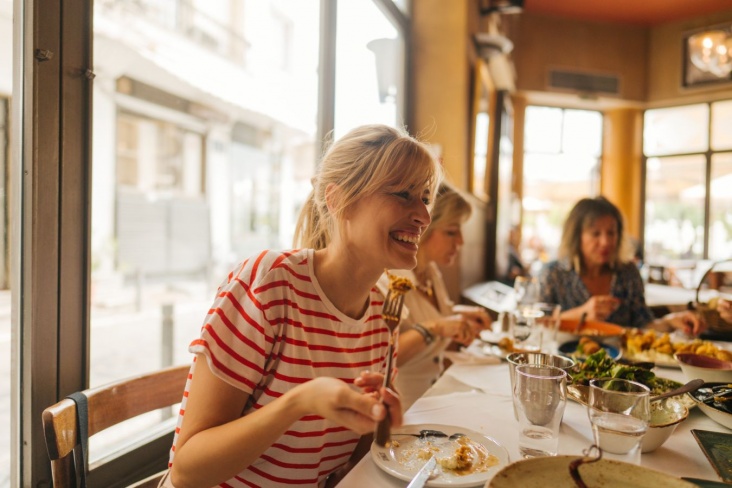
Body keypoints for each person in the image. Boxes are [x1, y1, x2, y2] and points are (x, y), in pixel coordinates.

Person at [164, 124, 442, 488]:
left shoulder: (380, 314)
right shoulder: (268, 282)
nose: (423, 215)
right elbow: (187, 470)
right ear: (339, 199)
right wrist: (301, 401)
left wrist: (376, 420)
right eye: (404, 194)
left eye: (424, 196)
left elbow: (354, 460)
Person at [382, 182, 492, 409]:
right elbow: (383, 355)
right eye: (451, 232)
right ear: (424, 230)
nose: (460, 241)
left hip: (436, 397)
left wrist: (460, 315)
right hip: (405, 409)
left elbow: (434, 315)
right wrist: (437, 327)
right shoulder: (393, 279)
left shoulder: (430, 271)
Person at [538, 196, 704, 335]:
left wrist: (670, 322)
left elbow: (642, 326)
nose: (605, 242)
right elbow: (537, 326)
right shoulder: (553, 274)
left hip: (620, 370)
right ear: (577, 236)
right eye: (595, 233)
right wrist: (581, 314)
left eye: (611, 232)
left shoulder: (627, 273)